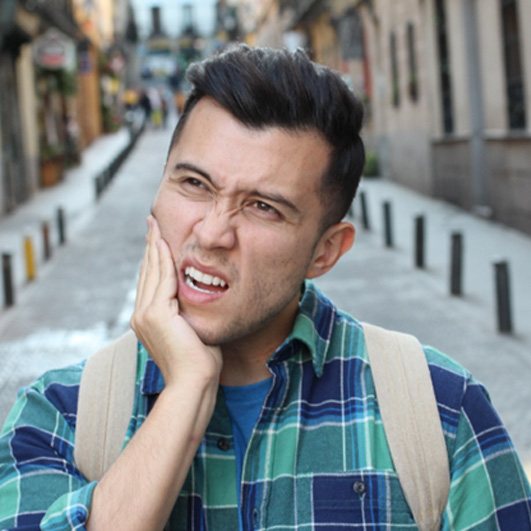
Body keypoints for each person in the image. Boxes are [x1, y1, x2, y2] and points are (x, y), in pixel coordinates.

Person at [0, 44, 530, 530]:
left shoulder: (441, 414)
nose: (211, 233)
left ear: (326, 251)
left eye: (263, 207)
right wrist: (185, 390)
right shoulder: (58, 417)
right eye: (193, 184)